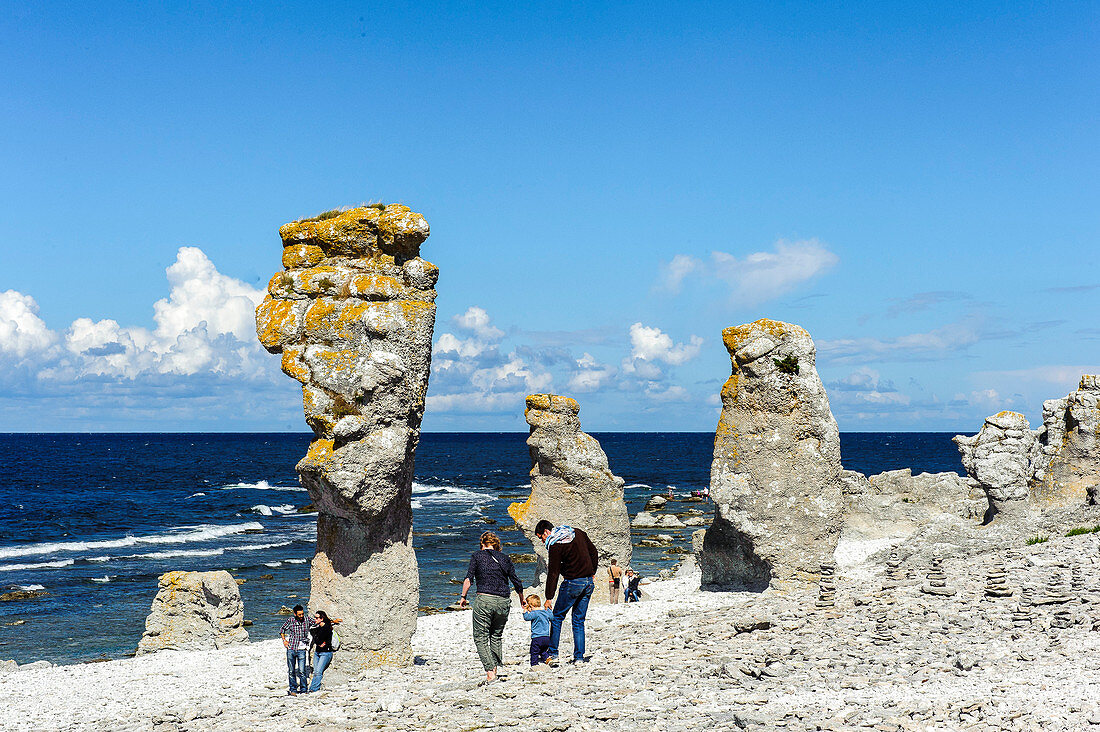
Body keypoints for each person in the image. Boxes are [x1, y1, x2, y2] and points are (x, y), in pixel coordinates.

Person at [459, 531, 525, 684]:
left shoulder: (477, 556)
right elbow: (516, 581)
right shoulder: (505, 558)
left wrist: (463, 597)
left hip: (485, 600)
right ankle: (494, 669)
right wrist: (521, 599)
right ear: (496, 544)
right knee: (496, 635)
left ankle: (490, 673)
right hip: (503, 601)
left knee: (480, 637)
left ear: (482, 544)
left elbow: (469, 578)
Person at [534, 520, 598, 664]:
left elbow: (553, 573)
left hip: (572, 582)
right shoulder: (577, 532)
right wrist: (592, 571)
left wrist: (549, 597)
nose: (542, 541)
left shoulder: (556, 544)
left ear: (546, 532)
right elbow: (594, 552)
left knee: (557, 617)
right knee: (578, 620)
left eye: (541, 537)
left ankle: (553, 653)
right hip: (588, 582)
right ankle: (579, 657)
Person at [280, 605, 310, 695]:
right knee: (291, 671)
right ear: (295, 614)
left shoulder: (307, 620)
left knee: (302, 671)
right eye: (299, 614)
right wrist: (284, 640)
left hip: (302, 649)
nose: (301, 616)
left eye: (302, 614)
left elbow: (319, 621)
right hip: (291, 648)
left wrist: (332, 621)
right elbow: (282, 629)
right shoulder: (291, 620)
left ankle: (304, 690)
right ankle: (293, 690)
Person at [307, 610, 336, 693]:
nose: (315, 619)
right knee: (316, 671)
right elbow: (317, 639)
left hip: (326, 653)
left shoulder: (326, 628)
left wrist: (318, 640)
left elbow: (320, 639)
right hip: (317, 652)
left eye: (317, 618)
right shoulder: (317, 628)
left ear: (322, 618)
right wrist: (318, 641)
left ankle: (313, 689)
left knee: (318, 672)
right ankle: (312, 688)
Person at [521, 595, 553, 666]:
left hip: (537, 637)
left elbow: (526, 617)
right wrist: (549, 610)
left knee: (534, 652)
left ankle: (534, 664)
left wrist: (525, 610)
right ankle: (548, 659)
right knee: (543, 651)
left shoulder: (534, 613)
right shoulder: (545, 612)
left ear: (531, 606)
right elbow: (552, 617)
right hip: (546, 637)